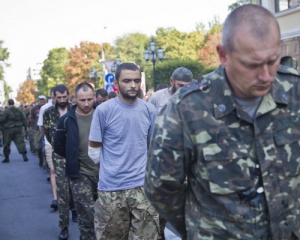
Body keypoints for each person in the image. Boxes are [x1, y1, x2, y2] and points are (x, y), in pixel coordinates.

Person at [144, 4, 300, 239]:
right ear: (223, 55)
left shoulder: (294, 91)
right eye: (252, 64)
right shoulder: (186, 109)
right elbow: (161, 188)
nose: (267, 75)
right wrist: (203, 228)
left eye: (273, 60)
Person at [89, 62, 160, 239]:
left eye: (136, 80)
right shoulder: (104, 110)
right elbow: (93, 149)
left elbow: (154, 147)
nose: (133, 85)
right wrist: (109, 171)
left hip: (142, 188)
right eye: (127, 81)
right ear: (116, 82)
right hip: (111, 190)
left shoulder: (149, 110)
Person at [54, 82, 98, 240]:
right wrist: (73, 157)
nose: (86, 104)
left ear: (94, 97)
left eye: (89, 99)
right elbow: (58, 147)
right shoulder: (67, 120)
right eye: (82, 100)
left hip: (105, 174)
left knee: (108, 215)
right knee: (87, 215)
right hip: (80, 175)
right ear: (74, 99)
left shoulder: (103, 114)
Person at [43, 84, 77, 240]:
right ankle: (64, 227)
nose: (62, 100)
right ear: (54, 97)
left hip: (77, 155)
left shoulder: (76, 109)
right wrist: (59, 147)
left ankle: (76, 210)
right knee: (62, 192)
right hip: (59, 156)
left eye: (65, 97)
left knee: (79, 189)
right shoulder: (48, 113)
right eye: (59, 97)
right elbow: (47, 132)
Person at [37, 87, 58, 210]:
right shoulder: (45, 109)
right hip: (50, 144)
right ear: (51, 96)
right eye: (55, 96)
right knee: (52, 170)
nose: (58, 99)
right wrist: (50, 136)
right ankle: (55, 198)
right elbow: (41, 127)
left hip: (66, 145)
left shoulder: (69, 107)